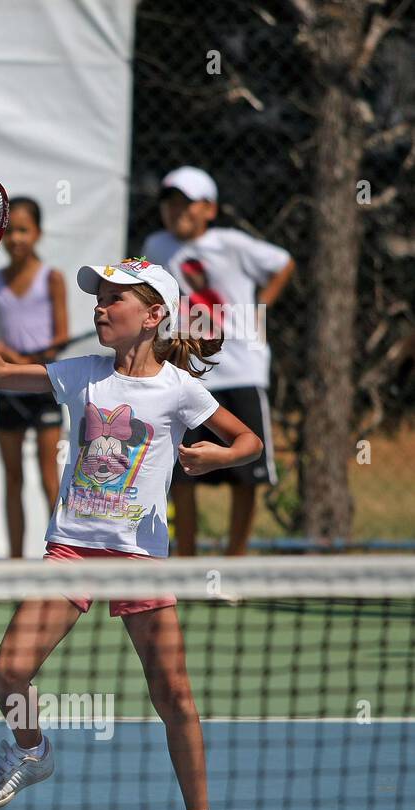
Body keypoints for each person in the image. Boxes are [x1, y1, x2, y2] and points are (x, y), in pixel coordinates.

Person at [0, 256, 260, 810]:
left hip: (140, 555)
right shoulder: (83, 374)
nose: (99, 306)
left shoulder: (179, 388)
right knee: (9, 672)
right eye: (99, 296)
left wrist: (216, 459)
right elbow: (0, 375)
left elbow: (247, 439)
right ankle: (31, 750)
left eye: (114, 299)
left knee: (173, 694)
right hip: (72, 547)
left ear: (152, 316)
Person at [142, 166, 295, 556]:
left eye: (186, 204)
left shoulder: (232, 243)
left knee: (245, 475)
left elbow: (283, 263)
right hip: (186, 376)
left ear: (209, 209)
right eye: (170, 204)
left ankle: (235, 563)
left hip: (241, 372)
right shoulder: (156, 246)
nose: (177, 212)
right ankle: (187, 562)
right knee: (180, 472)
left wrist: (260, 312)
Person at [0, 196, 68, 558]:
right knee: (12, 478)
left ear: (39, 234)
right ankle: (14, 562)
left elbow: (60, 337)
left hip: (44, 385)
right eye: (10, 231)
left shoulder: (53, 278)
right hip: (8, 389)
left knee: (49, 476)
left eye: (24, 231)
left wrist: (25, 356)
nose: (16, 239)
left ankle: (60, 557)